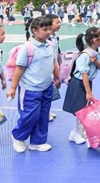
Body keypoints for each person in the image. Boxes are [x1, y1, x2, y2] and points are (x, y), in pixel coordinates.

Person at [7, 16, 60, 153]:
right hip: (30, 89)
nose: (49, 32)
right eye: (45, 29)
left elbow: (53, 62)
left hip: (46, 87)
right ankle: (18, 137)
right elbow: (19, 69)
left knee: (43, 115)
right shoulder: (28, 48)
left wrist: (57, 77)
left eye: (49, 29)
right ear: (35, 31)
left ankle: (37, 142)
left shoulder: (50, 45)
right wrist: (13, 88)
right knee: (30, 115)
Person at [63, 27, 100, 145]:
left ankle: (76, 132)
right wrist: (88, 92)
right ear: (95, 39)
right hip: (79, 83)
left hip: (87, 82)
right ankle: (77, 133)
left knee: (83, 110)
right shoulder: (84, 55)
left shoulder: (99, 52)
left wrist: (96, 62)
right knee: (80, 110)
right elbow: (84, 74)